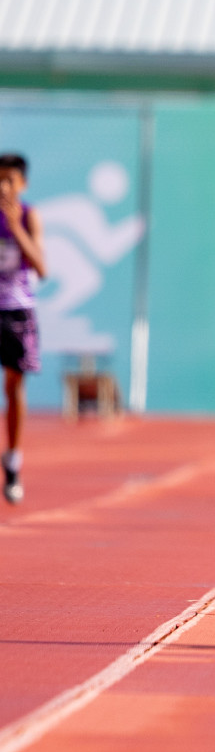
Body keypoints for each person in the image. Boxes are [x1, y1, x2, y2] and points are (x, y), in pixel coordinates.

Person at [0, 154, 46, 505]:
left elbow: (42, 267)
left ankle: (13, 458)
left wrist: (15, 227)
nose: (3, 187)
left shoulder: (30, 216)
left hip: (17, 312)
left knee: (14, 385)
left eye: (10, 181)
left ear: (22, 184)